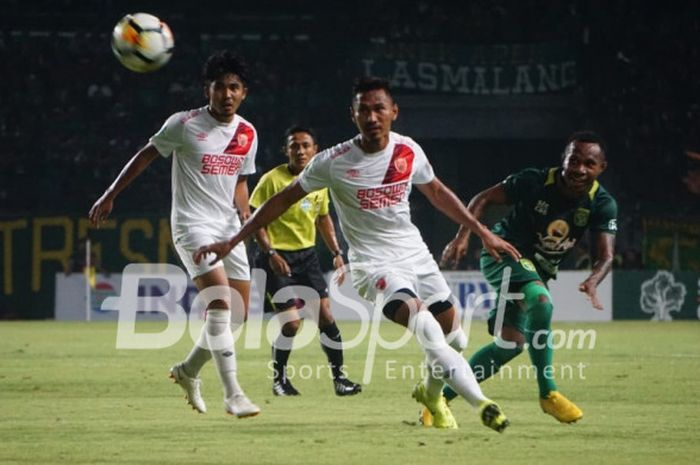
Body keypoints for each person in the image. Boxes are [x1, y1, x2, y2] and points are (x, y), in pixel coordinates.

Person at [194, 76, 522, 432]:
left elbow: (439, 192)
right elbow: (279, 201)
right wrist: (235, 239)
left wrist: (482, 233)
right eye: (363, 110)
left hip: (417, 255)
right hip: (373, 265)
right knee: (425, 325)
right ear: (352, 116)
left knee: (455, 338)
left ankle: (431, 394)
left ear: (393, 112)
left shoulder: (408, 150)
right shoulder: (332, 161)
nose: (372, 116)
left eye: (379, 108)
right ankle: (484, 405)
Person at [89, 50, 260, 418]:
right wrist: (110, 194)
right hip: (192, 224)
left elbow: (241, 180)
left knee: (238, 315)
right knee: (219, 303)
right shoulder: (184, 124)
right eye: (220, 87)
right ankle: (233, 394)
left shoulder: (248, 132)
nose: (227, 94)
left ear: (244, 92)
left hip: (230, 228)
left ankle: (187, 371)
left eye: (234, 88)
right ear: (207, 90)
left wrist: (244, 209)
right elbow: (146, 155)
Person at [438, 131, 617, 424]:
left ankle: (439, 399)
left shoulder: (602, 203)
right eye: (574, 160)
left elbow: (606, 256)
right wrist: (462, 237)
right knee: (542, 304)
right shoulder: (534, 181)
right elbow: (483, 198)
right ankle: (549, 393)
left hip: (538, 269)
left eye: (589, 163)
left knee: (510, 345)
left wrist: (594, 279)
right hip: (504, 251)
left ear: (601, 169)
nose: (579, 169)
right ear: (564, 159)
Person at [250, 125, 361, 396]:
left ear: (315, 150)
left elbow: (324, 218)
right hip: (275, 258)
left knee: (326, 318)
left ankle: (340, 380)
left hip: (306, 257)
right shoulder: (271, 180)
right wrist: (271, 253)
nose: (300, 150)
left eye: (305, 145)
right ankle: (279, 381)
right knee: (291, 324)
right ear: (286, 150)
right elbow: (254, 220)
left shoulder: (318, 181)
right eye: (294, 145)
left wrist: (337, 253)